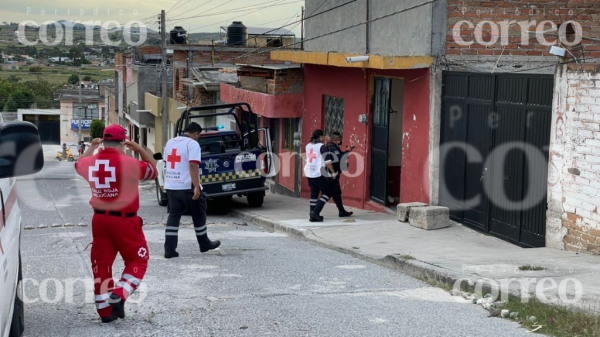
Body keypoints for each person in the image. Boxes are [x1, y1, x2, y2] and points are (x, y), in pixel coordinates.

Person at [75, 125, 157, 323]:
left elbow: (78, 164)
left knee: (101, 264)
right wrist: (139, 150)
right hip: (125, 220)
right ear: (123, 142)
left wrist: (92, 147)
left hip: (100, 220)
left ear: (102, 140)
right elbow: (153, 171)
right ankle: (119, 295)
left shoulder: (90, 162)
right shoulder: (129, 163)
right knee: (138, 260)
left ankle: (105, 313)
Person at [163, 122, 220, 258]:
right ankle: (204, 243)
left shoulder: (170, 142)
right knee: (199, 213)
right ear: (196, 133)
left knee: (174, 216)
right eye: (198, 136)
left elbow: (166, 163)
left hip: (171, 185)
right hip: (187, 186)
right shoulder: (192, 144)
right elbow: (193, 165)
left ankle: (169, 250)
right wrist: (196, 186)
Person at [304, 129, 333, 222]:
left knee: (314, 193)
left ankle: (312, 216)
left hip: (309, 172)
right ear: (321, 137)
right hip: (318, 173)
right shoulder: (322, 147)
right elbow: (328, 162)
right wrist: (333, 172)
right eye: (323, 136)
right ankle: (315, 212)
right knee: (328, 192)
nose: (324, 138)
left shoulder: (308, 146)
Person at [323, 131, 353, 217]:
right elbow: (340, 158)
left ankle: (341, 211)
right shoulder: (333, 148)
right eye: (340, 139)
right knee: (330, 193)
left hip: (330, 173)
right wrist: (347, 151)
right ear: (336, 139)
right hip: (332, 174)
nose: (341, 141)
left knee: (336, 193)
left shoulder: (329, 146)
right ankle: (315, 211)